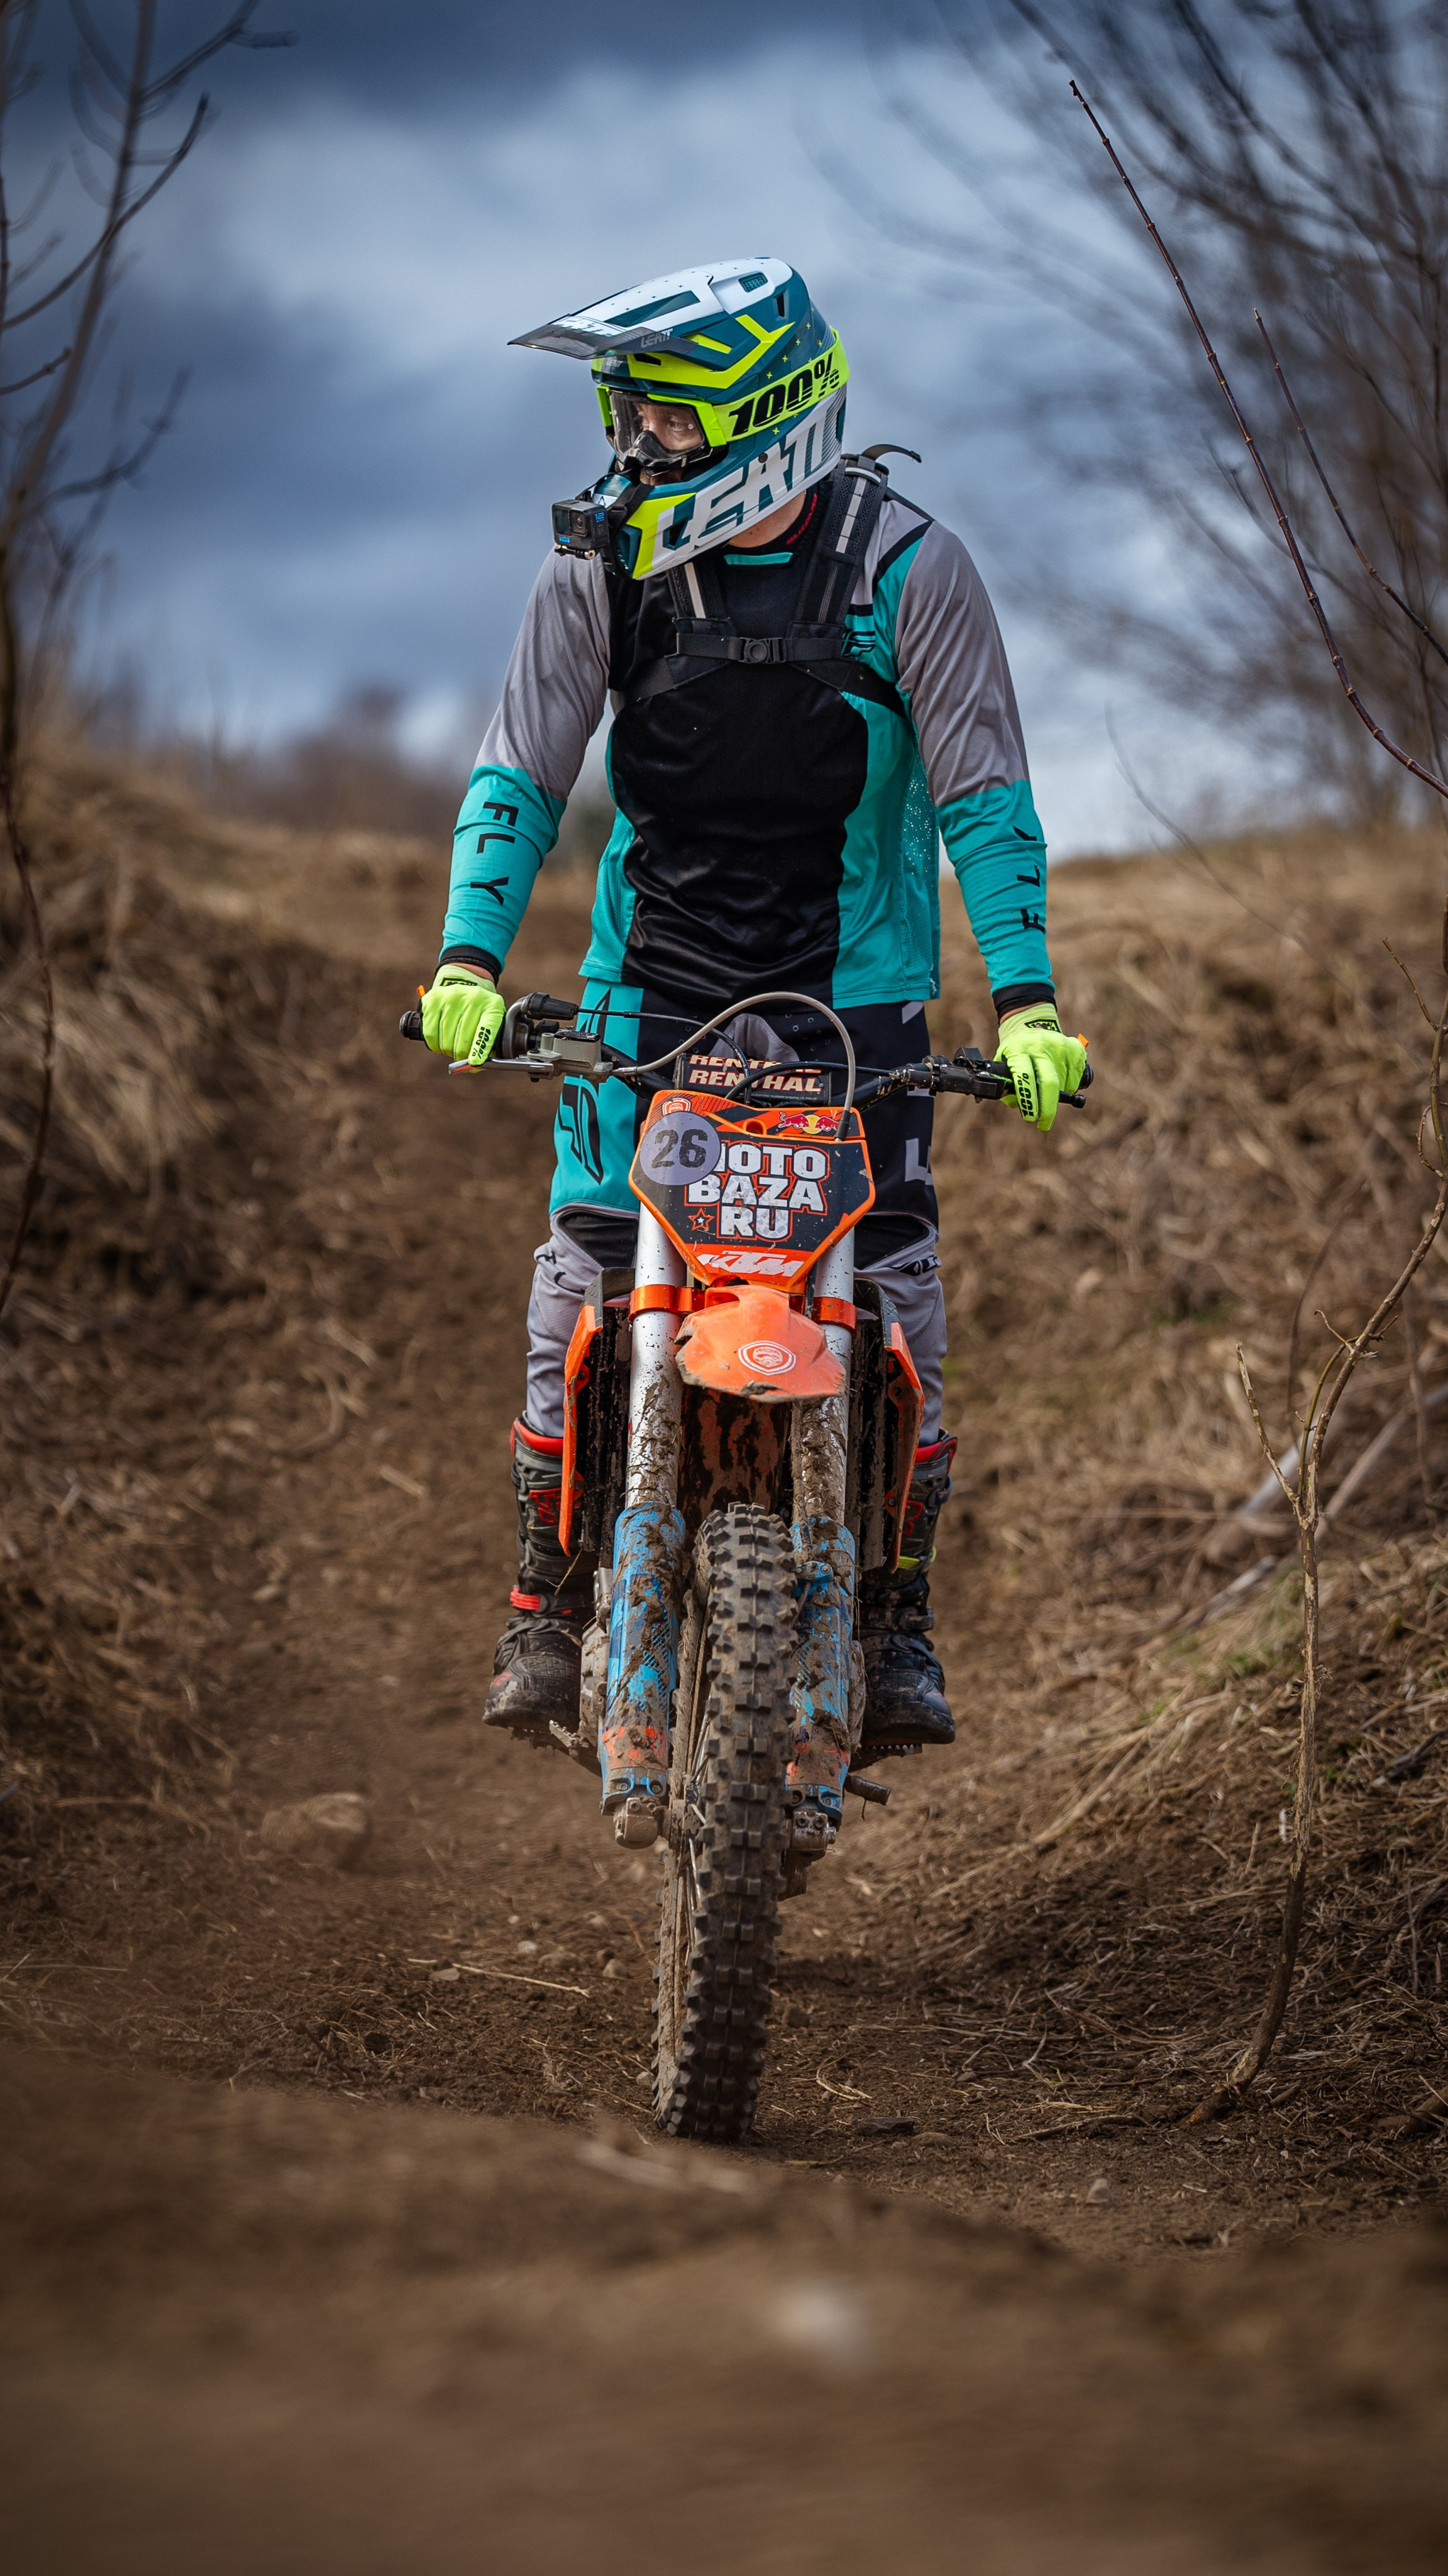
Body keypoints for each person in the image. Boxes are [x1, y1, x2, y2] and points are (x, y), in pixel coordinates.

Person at [418, 257, 1085, 1762]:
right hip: (647, 988)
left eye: (660, 422)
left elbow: (986, 795)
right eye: (624, 420)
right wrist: (468, 962)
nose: (629, 453)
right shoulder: (598, 562)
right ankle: (543, 1596)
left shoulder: (909, 568)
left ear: (761, 420)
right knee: (581, 1273)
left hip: (858, 1002)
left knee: (892, 1289)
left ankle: (897, 1612)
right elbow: (518, 770)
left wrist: (1030, 999)